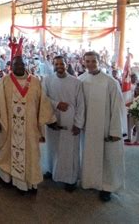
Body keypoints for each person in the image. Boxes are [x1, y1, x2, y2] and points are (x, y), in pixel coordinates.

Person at [0, 55, 56, 195]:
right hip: (10, 127)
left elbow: (44, 103)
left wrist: (51, 119)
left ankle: (28, 184)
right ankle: (7, 178)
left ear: (25, 65)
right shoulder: (4, 82)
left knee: (30, 154)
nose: (19, 67)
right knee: (8, 152)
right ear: (11, 66)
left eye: (21, 64)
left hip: (29, 129)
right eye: (16, 64)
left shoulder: (35, 82)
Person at [79, 51, 126, 202]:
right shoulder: (81, 80)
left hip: (105, 127)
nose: (90, 64)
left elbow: (117, 108)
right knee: (89, 155)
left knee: (107, 157)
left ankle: (107, 187)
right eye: (88, 61)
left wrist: (115, 130)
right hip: (87, 127)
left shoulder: (110, 82)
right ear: (83, 62)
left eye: (93, 61)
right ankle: (90, 182)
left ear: (99, 62)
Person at [42, 56, 84, 192]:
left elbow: (81, 105)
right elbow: (43, 98)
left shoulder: (76, 82)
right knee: (52, 148)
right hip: (53, 117)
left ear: (67, 65)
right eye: (56, 63)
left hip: (70, 120)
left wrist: (78, 124)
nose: (59, 66)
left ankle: (70, 179)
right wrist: (56, 104)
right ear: (53, 65)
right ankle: (51, 170)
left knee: (69, 151)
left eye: (62, 63)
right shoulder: (48, 80)